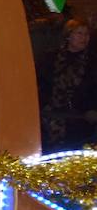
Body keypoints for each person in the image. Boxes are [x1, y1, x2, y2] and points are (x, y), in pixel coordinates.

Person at [37, 19, 97, 153]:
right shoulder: (51, 58)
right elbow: (43, 82)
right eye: (79, 33)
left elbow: (92, 88)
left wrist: (91, 108)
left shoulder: (91, 61)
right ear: (69, 35)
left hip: (78, 116)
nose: (84, 38)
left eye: (87, 34)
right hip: (52, 114)